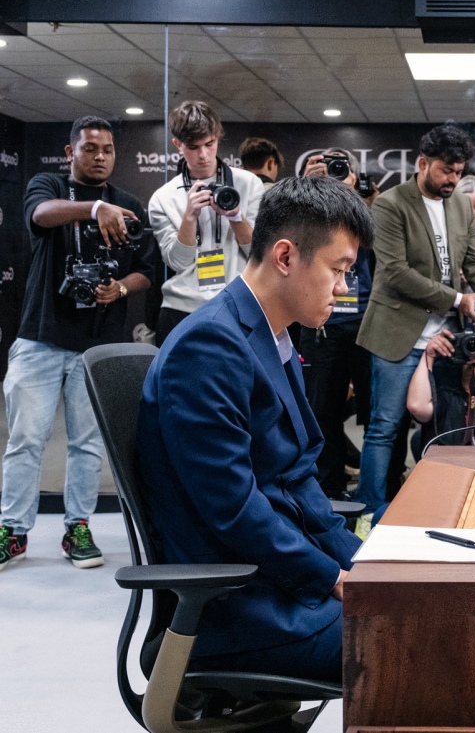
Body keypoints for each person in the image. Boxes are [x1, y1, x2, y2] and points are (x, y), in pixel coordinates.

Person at [138, 175, 373, 681]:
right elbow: (234, 510)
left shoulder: (271, 335)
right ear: (286, 257)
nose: (344, 289)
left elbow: (294, 477)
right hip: (241, 607)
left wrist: (368, 561)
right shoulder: (210, 348)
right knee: (427, 641)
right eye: (338, 270)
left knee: (427, 615)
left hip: (279, 583)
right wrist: (332, 577)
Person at [1, 116, 158, 573]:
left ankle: (79, 528)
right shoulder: (48, 185)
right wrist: (92, 210)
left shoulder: (128, 205)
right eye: (90, 149)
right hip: (40, 338)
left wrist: (121, 289)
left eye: (107, 149)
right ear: (71, 153)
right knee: (25, 438)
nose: (100, 156)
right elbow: (39, 215)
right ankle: (13, 530)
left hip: (97, 346)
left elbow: (147, 269)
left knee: (87, 442)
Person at [355, 123, 475, 524]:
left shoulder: (458, 204)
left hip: (446, 336)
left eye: (458, 172)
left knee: (445, 423)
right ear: (423, 163)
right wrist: (460, 298)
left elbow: (473, 262)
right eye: (445, 171)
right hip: (396, 332)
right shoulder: (389, 204)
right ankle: (369, 513)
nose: (452, 181)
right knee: (384, 429)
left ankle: (439, 503)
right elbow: (395, 272)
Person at [149, 100, 264, 344]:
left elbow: (258, 253)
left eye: (209, 144)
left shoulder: (249, 184)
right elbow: (179, 263)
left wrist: (235, 217)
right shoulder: (162, 198)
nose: (203, 155)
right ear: (177, 144)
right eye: (193, 146)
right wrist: (189, 217)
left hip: (236, 305)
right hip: (181, 309)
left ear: (218, 139)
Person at [296, 148, 375, 497]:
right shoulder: (302, 206)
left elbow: (372, 243)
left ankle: (374, 490)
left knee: (374, 415)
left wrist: (354, 197)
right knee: (321, 413)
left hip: (366, 324)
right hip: (320, 323)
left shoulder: (363, 205)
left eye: (340, 169)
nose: (334, 173)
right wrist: (309, 192)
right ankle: (328, 491)